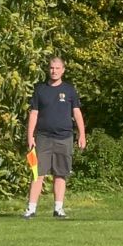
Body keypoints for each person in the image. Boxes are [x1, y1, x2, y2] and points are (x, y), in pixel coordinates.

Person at [24, 57, 86, 219]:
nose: (54, 71)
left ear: (63, 70)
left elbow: (77, 113)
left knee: (61, 173)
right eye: (52, 68)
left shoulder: (70, 90)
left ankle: (58, 209)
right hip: (43, 137)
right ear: (48, 69)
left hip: (64, 137)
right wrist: (30, 136)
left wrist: (82, 134)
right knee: (37, 173)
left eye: (57, 68)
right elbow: (34, 113)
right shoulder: (40, 90)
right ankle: (31, 209)